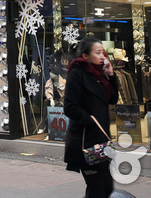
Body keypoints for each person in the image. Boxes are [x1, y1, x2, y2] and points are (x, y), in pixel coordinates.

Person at [63, 38, 118, 198]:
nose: (102, 56)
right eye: (97, 52)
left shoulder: (99, 75)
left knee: (106, 187)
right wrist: (91, 121)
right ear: (86, 56)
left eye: (103, 52)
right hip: (85, 142)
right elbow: (69, 107)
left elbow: (112, 100)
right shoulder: (77, 73)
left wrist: (111, 75)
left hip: (101, 142)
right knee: (97, 189)